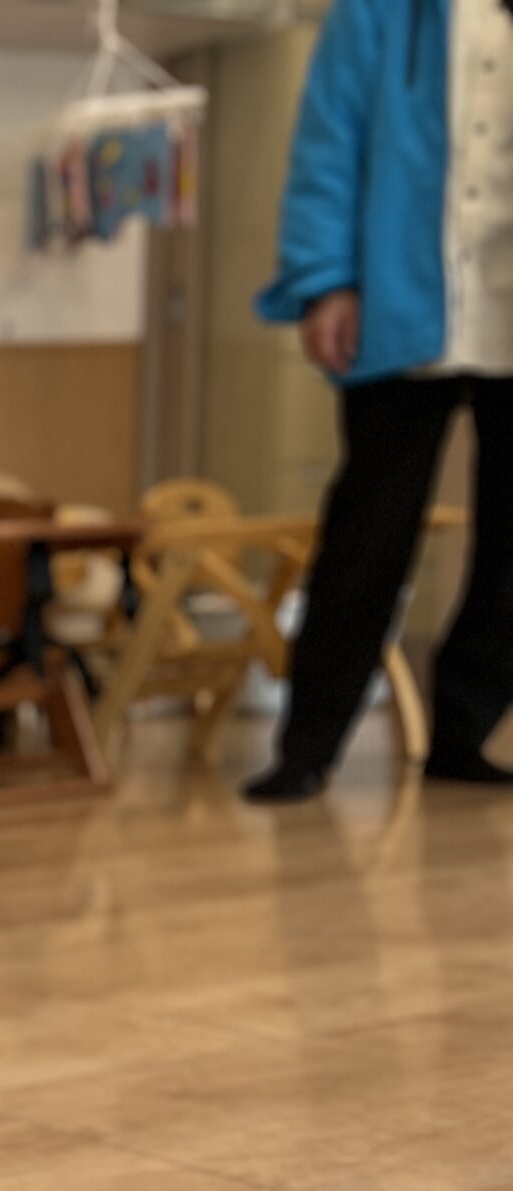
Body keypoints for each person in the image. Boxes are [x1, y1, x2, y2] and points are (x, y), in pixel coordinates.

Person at [247, 0, 513, 801]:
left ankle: (463, 734)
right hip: (399, 308)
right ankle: (309, 745)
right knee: (368, 534)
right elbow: (329, 147)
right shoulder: (375, 14)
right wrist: (324, 281)